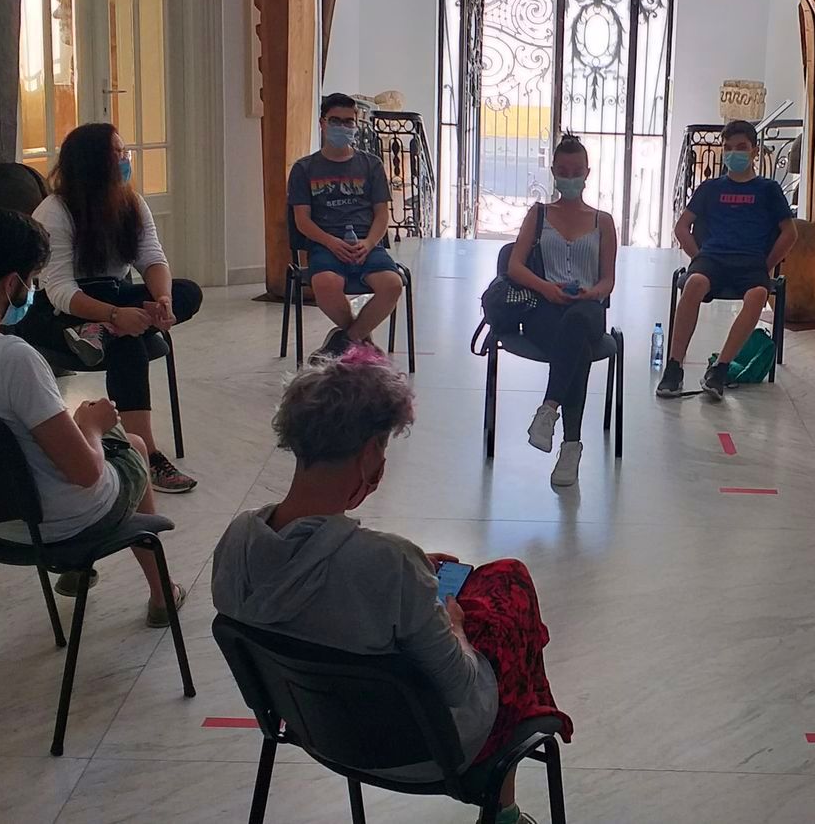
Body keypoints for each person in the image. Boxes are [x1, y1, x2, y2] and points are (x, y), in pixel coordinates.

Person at [213, 348, 570, 823]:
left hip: (314, 727)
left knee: (487, 588)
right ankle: (501, 803)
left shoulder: (237, 541)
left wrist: (408, 571)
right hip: (425, 750)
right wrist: (454, 625)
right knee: (509, 583)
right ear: (368, 456)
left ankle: (504, 806)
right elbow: (461, 686)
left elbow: (320, 595)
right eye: (382, 447)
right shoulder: (389, 564)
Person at [0, 209, 184, 626]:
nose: (32, 291)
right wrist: (91, 425)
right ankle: (161, 593)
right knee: (131, 444)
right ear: (12, 284)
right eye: (32, 280)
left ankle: (81, 573)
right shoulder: (12, 360)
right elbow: (86, 473)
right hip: (50, 524)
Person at [16, 122, 203, 495]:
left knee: (188, 292)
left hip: (116, 297)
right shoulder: (55, 210)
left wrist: (162, 299)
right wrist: (116, 316)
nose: (124, 159)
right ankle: (147, 455)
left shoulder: (131, 202)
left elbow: (152, 259)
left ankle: (101, 333)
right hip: (62, 311)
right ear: (92, 162)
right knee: (128, 342)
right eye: (116, 153)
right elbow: (60, 290)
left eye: (123, 151)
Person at [502, 134, 618, 487]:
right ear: (553, 172)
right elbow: (514, 266)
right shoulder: (538, 214)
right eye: (563, 171)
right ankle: (571, 446)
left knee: (578, 323)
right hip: (544, 304)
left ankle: (549, 408)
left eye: (576, 171)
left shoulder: (602, 221)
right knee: (576, 347)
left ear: (587, 173)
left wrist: (591, 292)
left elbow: (608, 280)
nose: (570, 177)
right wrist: (546, 288)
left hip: (587, 307)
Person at [657, 119, 797, 400]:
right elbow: (681, 227)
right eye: (729, 148)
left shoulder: (768, 190)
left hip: (751, 261)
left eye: (741, 147)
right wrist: (698, 256)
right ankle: (674, 367)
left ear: (754, 151)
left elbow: (789, 233)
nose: (734, 153)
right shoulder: (710, 188)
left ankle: (720, 368)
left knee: (758, 295)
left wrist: (767, 264)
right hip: (712, 258)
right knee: (694, 283)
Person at [289, 92, 402, 359]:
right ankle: (362, 342)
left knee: (392, 284)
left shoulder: (371, 165)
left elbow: (382, 214)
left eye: (348, 121)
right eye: (335, 121)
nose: (343, 127)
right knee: (325, 284)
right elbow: (302, 220)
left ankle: (346, 341)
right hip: (325, 245)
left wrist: (369, 243)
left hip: (367, 244)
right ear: (322, 123)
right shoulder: (304, 169)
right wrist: (331, 242)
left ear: (356, 123)